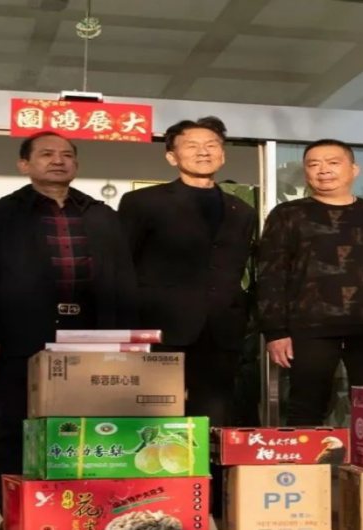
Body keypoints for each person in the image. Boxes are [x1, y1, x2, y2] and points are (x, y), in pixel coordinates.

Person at [0, 132, 137, 517]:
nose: (58, 160)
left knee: (88, 423)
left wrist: (125, 338)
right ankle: (13, 511)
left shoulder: (101, 214)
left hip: (92, 336)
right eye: (46, 154)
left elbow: (122, 279)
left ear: (77, 164)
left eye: (67, 155)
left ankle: (79, 507)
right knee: (16, 424)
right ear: (24, 164)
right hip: (21, 334)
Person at [117, 116, 255, 516]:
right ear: (171, 156)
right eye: (192, 145)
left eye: (211, 144)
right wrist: (124, 326)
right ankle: (155, 499)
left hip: (222, 327)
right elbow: (121, 266)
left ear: (223, 154)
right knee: (156, 416)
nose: (203, 151)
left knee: (215, 415)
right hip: (159, 326)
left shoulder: (241, 209)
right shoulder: (143, 203)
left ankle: (209, 500)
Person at [257, 139, 363, 426]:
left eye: (333, 163)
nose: (323, 170)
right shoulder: (288, 215)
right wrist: (274, 331)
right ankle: (308, 458)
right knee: (306, 408)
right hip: (310, 327)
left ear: (354, 169)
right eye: (314, 164)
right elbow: (271, 274)